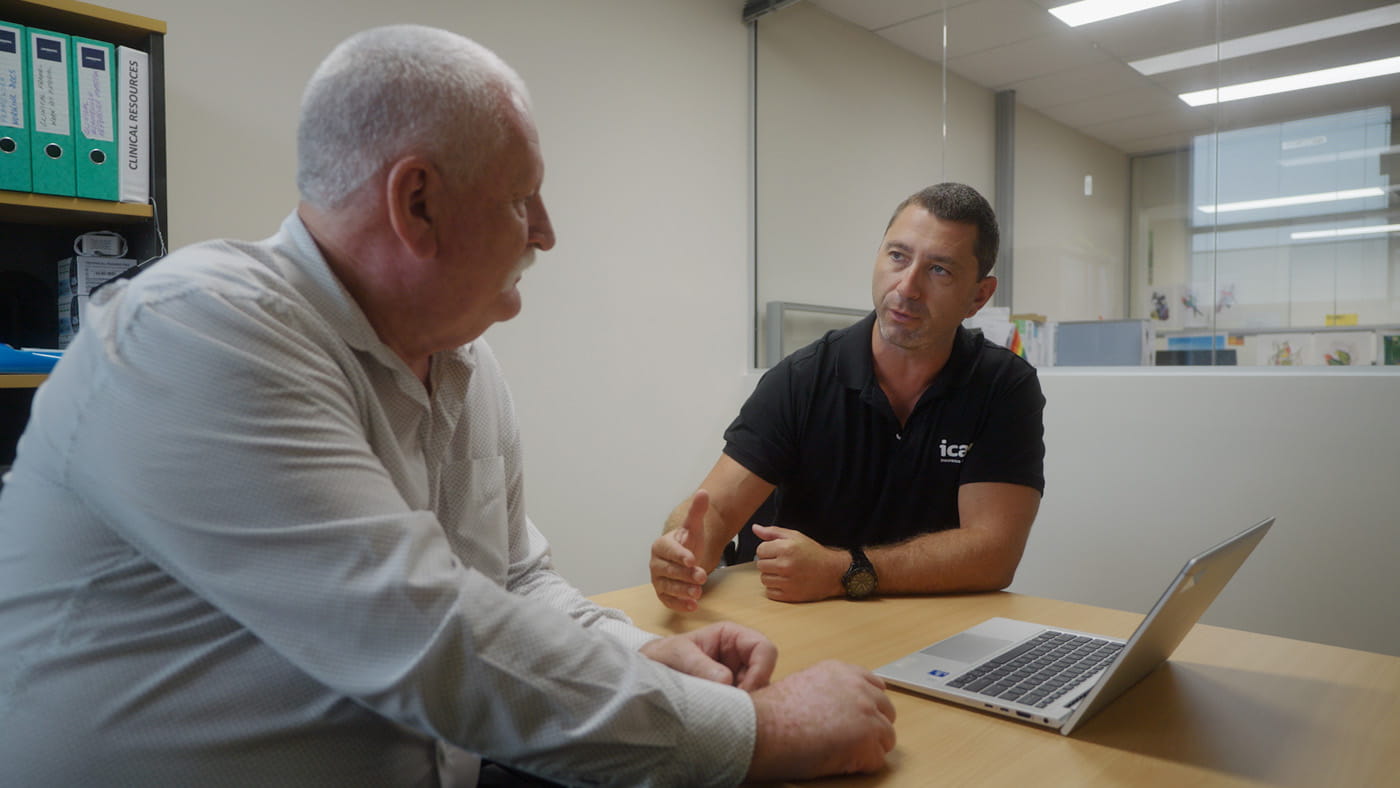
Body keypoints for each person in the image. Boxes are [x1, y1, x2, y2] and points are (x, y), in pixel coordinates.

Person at [0, 26, 895, 786]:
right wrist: (762, 733)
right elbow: (426, 634)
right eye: (520, 198)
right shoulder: (194, 330)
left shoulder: (461, 360)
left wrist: (641, 655)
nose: (546, 231)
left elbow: (513, 583)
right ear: (416, 202)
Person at [651, 183, 1045, 610]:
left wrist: (843, 571)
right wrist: (683, 549)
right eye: (897, 256)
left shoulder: (1002, 385)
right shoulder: (801, 378)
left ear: (979, 296)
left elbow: (994, 553)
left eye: (939, 270)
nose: (907, 286)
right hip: (794, 617)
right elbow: (716, 511)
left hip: (922, 622)